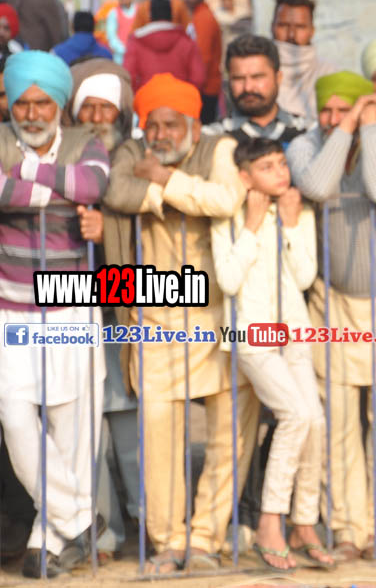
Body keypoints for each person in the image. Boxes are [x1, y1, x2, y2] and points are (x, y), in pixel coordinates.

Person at [102, 73, 257, 573]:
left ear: (193, 124)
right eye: (153, 124)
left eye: (172, 124)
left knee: (231, 433)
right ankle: (168, 542)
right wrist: (168, 192)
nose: (161, 134)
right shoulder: (131, 151)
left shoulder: (219, 148)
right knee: (159, 436)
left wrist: (163, 181)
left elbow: (226, 200)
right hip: (155, 318)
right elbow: (117, 190)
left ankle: (206, 538)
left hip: (219, 316)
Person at [286, 72, 376, 561]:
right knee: (338, 425)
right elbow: (319, 186)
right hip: (333, 305)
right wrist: (347, 127)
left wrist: (367, 128)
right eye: (327, 109)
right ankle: (347, 530)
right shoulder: (305, 145)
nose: (331, 118)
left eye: (343, 108)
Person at [0, 51, 109, 578]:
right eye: (22, 103)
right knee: (15, 415)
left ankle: (49, 539)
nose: (32, 113)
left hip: (73, 299)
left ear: (60, 104)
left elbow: (94, 186)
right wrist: (60, 187)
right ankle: (81, 518)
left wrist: (27, 174)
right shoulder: (1, 139)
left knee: (72, 422)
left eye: (43, 102)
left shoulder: (87, 141)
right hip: (11, 304)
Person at [210, 137, 335, 572]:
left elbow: (304, 277)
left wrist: (290, 225)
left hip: (295, 331)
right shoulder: (228, 217)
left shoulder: (298, 212)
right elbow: (227, 280)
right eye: (267, 167)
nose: (281, 172)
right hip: (251, 335)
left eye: (282, 163)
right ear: (245, 177)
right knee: (296, 415)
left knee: (315, 421)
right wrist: (251, 225)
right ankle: (269, 522)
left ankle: (304, 523)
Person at [65, 58, 139, 562]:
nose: (96, 117)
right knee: (85, 424)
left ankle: (151, 521)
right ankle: (104, 531)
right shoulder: (62, 156)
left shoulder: (134, 156)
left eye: (105, 107)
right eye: (86, 107)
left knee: (130, 420)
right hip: (71, 305)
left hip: (125, 307)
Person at [203, 35, 310, 146]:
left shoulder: (308, 133)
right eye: (239, 78)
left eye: (257, 77)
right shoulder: (210, 139)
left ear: (278, 78)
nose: (248, 87)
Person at [272, 0, 334, 121]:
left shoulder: (327, 73)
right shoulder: (256, 72)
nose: (291, 35)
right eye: (283, 25)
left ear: (312, 31)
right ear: (272, 27)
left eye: (300, 27)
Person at [123, 0, 206, 93]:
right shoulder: (187, 42)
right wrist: (186, 94)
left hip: (147, 98)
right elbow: (198, 78)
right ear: (171, 15)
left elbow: (128, 76)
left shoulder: (136, 42)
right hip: (181, 98)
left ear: (150, 16)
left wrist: (140, 94)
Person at [180, 0, 223, 123]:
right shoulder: (195, 16)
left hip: (205, 87)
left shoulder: (204, 18)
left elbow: (203, 57)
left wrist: (194, 86)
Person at [103, 0, 136, 65]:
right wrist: (123, 50)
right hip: (120, 56)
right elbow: (111, 36)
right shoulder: (113, 13)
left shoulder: (139, 11)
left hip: (136, 54)